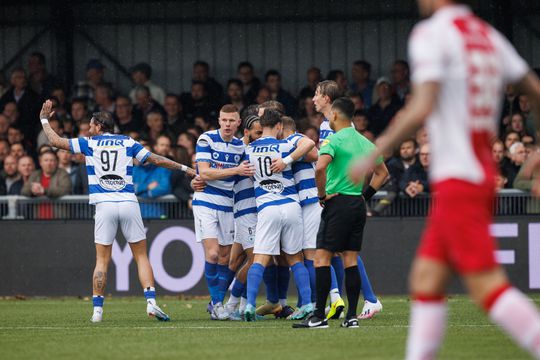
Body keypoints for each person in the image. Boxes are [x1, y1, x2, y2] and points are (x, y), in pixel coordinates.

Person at [349, 1, 540, 358]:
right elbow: (535, 89)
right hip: (477, 173)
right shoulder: (487, 35)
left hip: (459, 176)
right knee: (426, 280)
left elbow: (422, 105)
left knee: (487, 286)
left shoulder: (432, 34)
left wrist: (377, 150)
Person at [37, 99, 195, 323]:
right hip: (129, 202)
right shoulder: (127, 142)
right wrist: (184, 167)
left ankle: (97, 312)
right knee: (141, 256)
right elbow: (155, 159)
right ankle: (151, 302)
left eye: (92, 125)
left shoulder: (89, 143)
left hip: (104, 205)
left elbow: (54, 140)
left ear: (99, 126)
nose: (89, 129)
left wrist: (44, 118)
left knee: (102, 260)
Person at [294, 97, 388, 329]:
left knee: (322, 258)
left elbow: (320, 168)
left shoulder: (333, 141)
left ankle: (318, 317)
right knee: (350, 259)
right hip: (357, 203)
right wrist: (364, 196)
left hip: (337, 203)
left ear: (334, 115)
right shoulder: (366, 143)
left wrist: (322, 196)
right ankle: (352, 317)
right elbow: (382, 173)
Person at [313, 80, 383, 319]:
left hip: (336, 195)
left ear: (328, 101)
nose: (313, 98)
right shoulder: (354, 134)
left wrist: (294, 154)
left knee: (325, 254)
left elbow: (324, 161)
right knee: (345, 254)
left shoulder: (332, 129)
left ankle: (348, 301)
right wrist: (363, 195)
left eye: (317, 94)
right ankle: (348, 305)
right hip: (353, 198)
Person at [243, 109, 315, 322]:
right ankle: (308, 305)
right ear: (279, 127)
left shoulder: (249, 149)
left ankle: (249, 305)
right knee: (295, 259)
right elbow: (310, 143)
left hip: (267, 207)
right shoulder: (285, 145)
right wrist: (287, 161)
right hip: (291, 205)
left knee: (260, 259)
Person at [280, 116, 346, 319]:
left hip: (310, 201)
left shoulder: (295, 140)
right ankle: (324, 300)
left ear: (281, 128)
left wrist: (287, 159)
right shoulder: (290, 143)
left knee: (312, 255)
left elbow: (314, 151)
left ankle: (332, 299)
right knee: (313, 254)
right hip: (306, 202)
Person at [192, 104, 255, 319]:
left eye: (231, 121)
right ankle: (218, 304)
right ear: (219, 120)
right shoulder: (206, 139)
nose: (227, 124)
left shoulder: (240, 147)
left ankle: (216, 304)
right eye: (224, 120)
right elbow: (205, 172)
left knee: (226, 258)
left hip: (228, 205)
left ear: (238, 123)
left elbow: (246, 175)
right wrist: (234, 170)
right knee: (212, 253)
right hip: (206, 201)